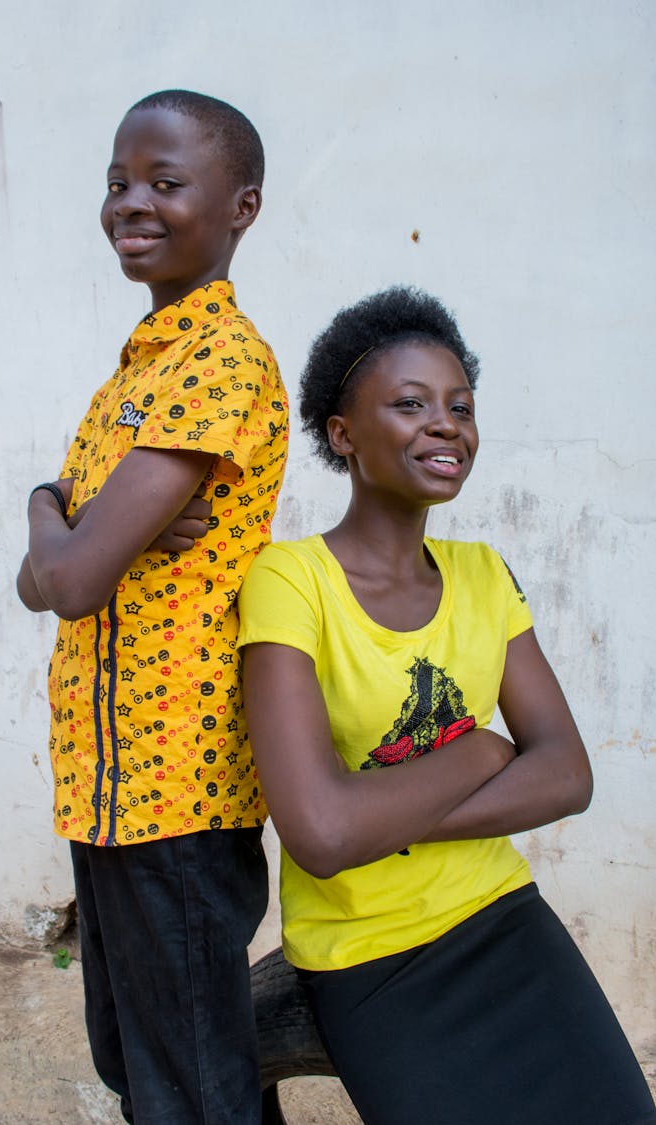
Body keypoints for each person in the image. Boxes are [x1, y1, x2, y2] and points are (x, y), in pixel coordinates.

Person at [237, 287, 655, 1125]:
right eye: (411, 404)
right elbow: (319, 836)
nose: (447, 424)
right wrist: (477, 754)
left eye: (460, 406)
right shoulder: (292, 582)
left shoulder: (483, 575)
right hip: (368, 953)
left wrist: (376, 814)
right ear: (343, 435)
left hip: (501, 914)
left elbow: (567, 774)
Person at [16, 90, 288, 1125]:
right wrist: (58, 513)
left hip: (175, 782)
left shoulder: (220, 362)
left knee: (194, 1086)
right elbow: (44, 575)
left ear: (241, 208)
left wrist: (52, 513)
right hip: (110, 777)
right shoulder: (137, 372)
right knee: (147, 1065)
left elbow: (72, 582)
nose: (133, 203)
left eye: (166, 184)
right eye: (119, 183)